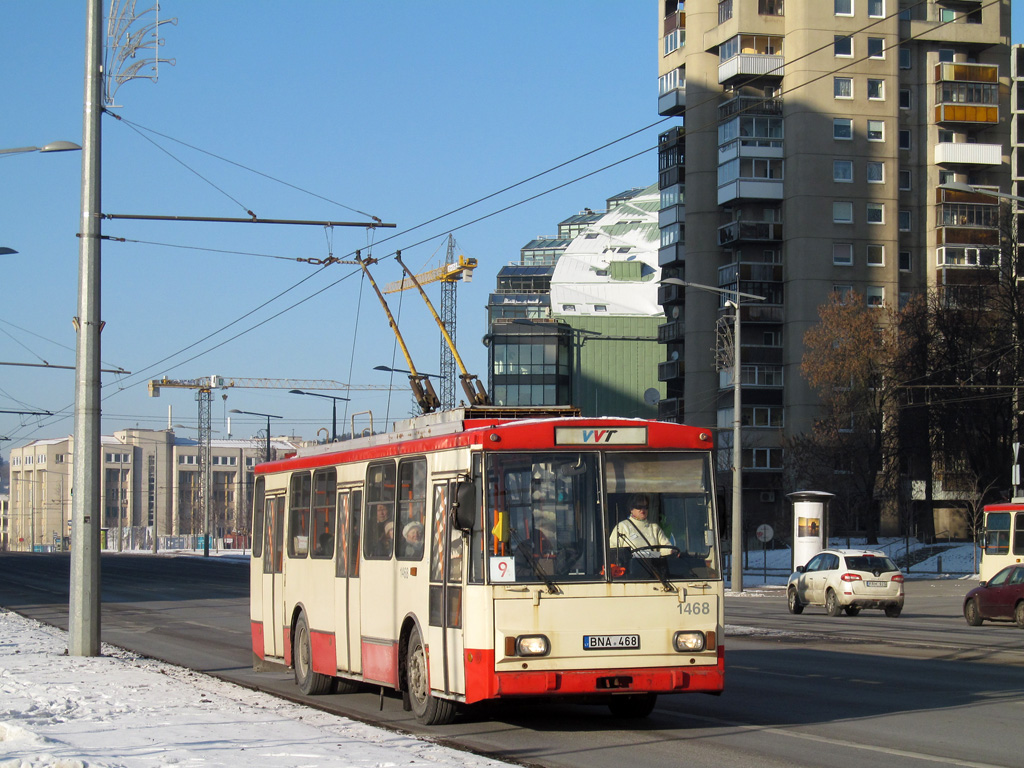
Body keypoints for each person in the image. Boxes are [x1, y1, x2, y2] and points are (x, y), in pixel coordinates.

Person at [609, 493, 672, 558]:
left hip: (653, 567)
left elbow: (666, 548)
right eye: (639, 507)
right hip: (630, 567)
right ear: (631, 509)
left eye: (646, 507)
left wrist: (671, 551)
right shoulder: (622, 527)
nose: (643, 510)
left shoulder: (654, 528)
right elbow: (613, 550)